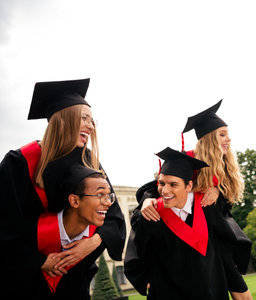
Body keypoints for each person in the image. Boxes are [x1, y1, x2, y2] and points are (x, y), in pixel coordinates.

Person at [0, 78, 125, 297]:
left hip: (74, 279)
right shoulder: (19, 163)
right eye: (84, 118)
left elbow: (114, 217)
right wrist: (39, 261)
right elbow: (4, 224)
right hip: (26, 279)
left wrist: (93, 243)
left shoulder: (90, 163)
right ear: (63, 119)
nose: (90, 125)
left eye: (92, 120)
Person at [138, 100, 252, 300]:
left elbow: (227, 203)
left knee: (237, 283)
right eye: (222, 134)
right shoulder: (186, 160)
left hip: (215, 230)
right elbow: (154, 187)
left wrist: (217, 189)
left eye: (228, 134)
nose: (228, 139)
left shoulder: (224, 165)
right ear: (209, 138)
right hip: (188, 232)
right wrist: (147, 200)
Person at [124, 147, 230, 300]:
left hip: (210, 290)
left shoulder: (209, 207)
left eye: (173, 184)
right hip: (167, 292)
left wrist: (217, 190)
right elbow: (137, 253)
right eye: (161, 183)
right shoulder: (149, 216)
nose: (165, 190)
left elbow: (227, 241)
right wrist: (146, 278)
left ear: (188, 186)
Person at [38, 164, 115, 299]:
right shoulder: (35, 230)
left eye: (109, 196)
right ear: (74, 200)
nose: (108, 203)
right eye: (100, 194)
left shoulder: (96, 238)